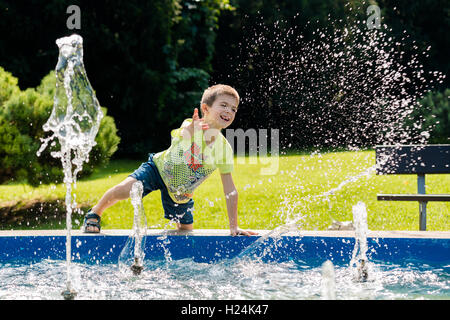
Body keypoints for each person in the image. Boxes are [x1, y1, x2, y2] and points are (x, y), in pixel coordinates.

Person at [83, 84, 257, 236]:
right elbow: (184, 134)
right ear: (206, 108)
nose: (229, 111)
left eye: (233, 109)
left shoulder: (224, 149)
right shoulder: (190, 125)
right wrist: (192, 129)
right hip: (157, 170)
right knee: (125, 189)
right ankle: (95, 213)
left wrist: (234, 227)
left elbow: (230, 190)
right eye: (224, 105)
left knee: (186, 231)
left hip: (181, 192)